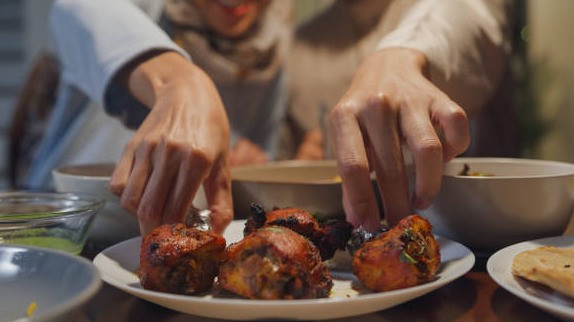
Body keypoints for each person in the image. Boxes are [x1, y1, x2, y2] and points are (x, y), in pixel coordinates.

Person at [22, 0, 290, 235]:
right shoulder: (149, 10)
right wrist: (180, 82)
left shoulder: (270, 60)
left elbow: (247, 159)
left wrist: (247, 163)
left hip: (178, 239)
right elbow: (75, 10)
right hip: (65, 231)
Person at [280, 0, 519, 230]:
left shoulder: (449, 8)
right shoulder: (295, 49)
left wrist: (402, 54)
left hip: (487, 230)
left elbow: (468, 12)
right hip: (339, 251)